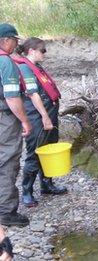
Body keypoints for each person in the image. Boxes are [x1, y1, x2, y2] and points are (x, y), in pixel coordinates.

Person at [13, 37, 67, 208]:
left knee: (49, 149)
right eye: (42, 50)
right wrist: (44, 117)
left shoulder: (37, 67)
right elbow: (33, 95)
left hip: (50, 114)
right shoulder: (25, 68)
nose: (45, 53)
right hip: (37, 118)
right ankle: (27, 192)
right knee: (35, 152)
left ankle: (47, 185)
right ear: (31, 51)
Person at [0, 23, 32, 227]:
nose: (16, 44)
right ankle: (6, 212)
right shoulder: (6, 63)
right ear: (5, 40)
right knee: (8, 161)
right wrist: (25, 121)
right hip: (5, 119)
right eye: (14, 40)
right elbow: (12, 97)